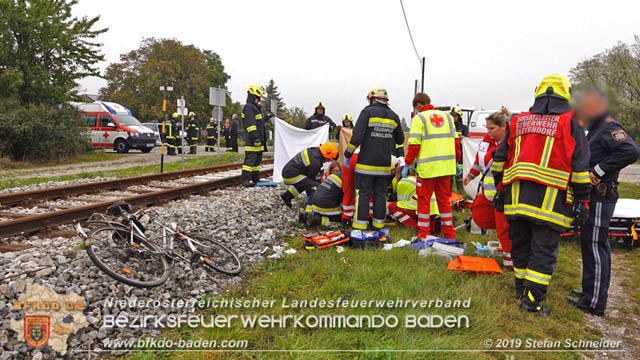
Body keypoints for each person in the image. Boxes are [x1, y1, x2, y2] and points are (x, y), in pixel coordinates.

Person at [492, 73, 591, 316]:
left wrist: (500, 189)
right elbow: (580, 167)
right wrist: (583, 200)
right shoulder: (572, 122)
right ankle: (532, 303)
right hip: (550, 203)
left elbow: (499, 160)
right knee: (543, 252)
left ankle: (521, 292)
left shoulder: (518, 120)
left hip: (515, 199)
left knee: (521, 247)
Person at [567, 89, 639, 316]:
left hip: (602, 195)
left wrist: (599, 170)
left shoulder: (609, 127)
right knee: (589, 244)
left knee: (596, 246)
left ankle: (595, 301)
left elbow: (630, 151)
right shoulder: (596, 128)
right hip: (594, 196)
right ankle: (589, 292)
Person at [344, 87, 405, 236]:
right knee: (380, 194)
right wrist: (401, 157)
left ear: (372, 99)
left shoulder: (367, 112)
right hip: (384, 165)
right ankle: (379, 225)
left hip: (365, 164)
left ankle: (360, 228)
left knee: (363, 193)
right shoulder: (394, 116)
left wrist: (347, 154)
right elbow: (400, 140)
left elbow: (357, 136)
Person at [405, 93, 460, 241]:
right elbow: (456, 142)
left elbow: (414, 145)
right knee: (444, 202)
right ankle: (449, 234)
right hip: (446, 169)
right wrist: (456, 161)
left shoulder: (419, 119)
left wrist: (408, 163)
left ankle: (424, 235)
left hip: (427, 170)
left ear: (418, 105)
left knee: (424, 202)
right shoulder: (448, 117)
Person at [464, 108, 513, 269]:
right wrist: (471, 175)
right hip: (487, 193)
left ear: (504, 127)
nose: (488, 132)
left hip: (505, 194)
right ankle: (505, 247)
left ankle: (510, 261)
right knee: (480, 215)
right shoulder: (486, 142)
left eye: (492, 128)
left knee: (504, 227)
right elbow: (479, 161)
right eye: (487, 128)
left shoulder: (512, 144)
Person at [279, 143, 339, 208]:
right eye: (329, 159)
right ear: (326, 156)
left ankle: (286, 196)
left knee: (304, 183)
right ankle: (309, 208)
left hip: (288, 172)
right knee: (314, 187)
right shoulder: (315, 163)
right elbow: (313, 181)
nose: (328, 161)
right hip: (291, 176)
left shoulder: (313, 151)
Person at [388, 166, 440, 231]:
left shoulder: (402, 183)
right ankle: (435, 226)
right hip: (434, 211)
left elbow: (401, 204)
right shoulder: (417, 179)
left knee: (393, 207)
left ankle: (414, 227)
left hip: (423, 209)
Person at [241, 85, 266, 187]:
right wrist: (255, 137)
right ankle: (245, 180)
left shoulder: (255, 108)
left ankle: (255, 180)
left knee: (256, 162)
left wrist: (267, 118)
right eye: (257, 97)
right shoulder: (249, 107)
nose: (258, 100)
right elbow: (251, 125)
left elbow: (260, 123)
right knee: (249, 161)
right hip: (252, 140)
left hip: (258, 140)